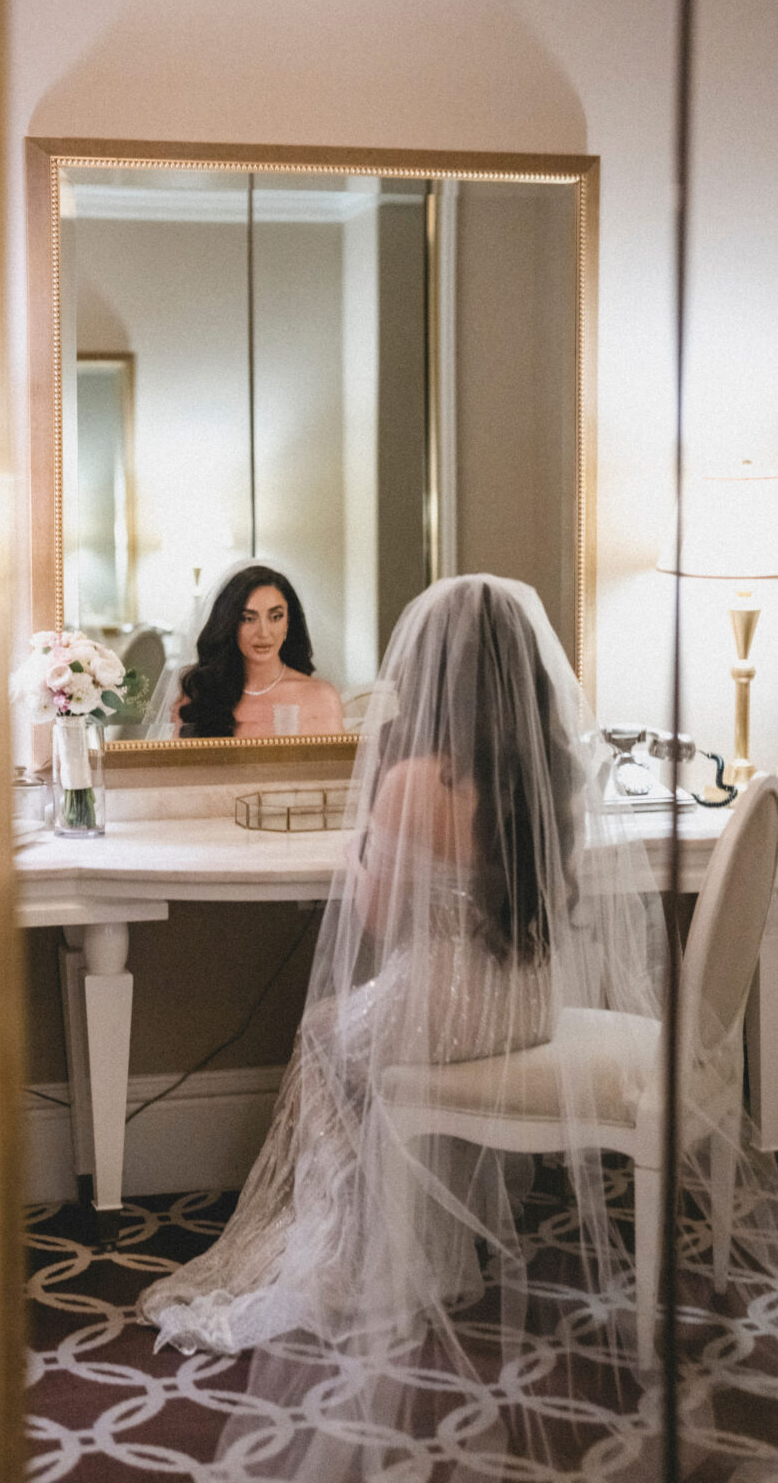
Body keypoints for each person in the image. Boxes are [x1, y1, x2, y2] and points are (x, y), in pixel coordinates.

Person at [140, 575, 778, 1480]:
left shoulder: (410, 779)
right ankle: (417, 1240)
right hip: (527, 1000)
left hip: (442, 1004)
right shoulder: (549, 771)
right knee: (346, 1032)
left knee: (323, 1033)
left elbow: (373, 921)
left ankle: (347, 1251)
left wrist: (368, 840)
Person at [145, 563, 344, 739]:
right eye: (248, 618)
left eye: (275, 617)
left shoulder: (321, 697)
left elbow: (333, 777)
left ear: (289, 623)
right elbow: (180, 774)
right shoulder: (199, 694)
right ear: (230, 623)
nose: (263, 633)